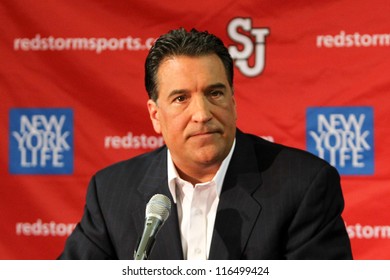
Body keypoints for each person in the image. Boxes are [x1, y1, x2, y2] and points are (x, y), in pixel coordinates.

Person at [58, 28, 353, 260]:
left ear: (233, 102)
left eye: (214, 93)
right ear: (155, 115)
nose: (201, 114)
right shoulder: (111, 192)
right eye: (181, 98)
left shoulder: (303, 185)